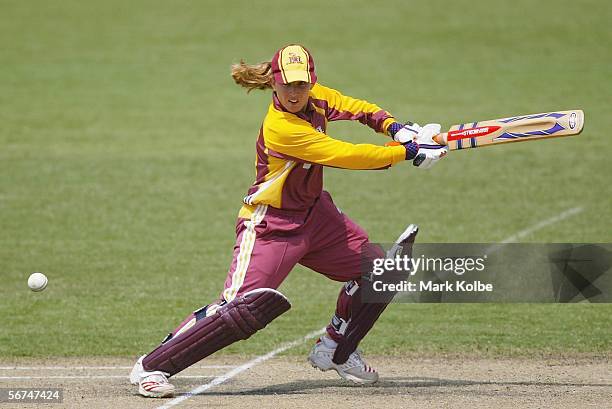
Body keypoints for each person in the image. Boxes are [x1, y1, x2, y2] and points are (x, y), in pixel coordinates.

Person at [129, 44, 447, 398]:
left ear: (311, 82)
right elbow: (345, 154)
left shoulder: (316, 97)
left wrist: (397, 128)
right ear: (275, 83)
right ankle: (153, 366)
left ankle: (336, 347)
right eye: (288, 85)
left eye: (302, 85)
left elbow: (359, 109)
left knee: (381, 271)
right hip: (272, 226)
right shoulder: (281, 127)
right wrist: (409, 151)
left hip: (317, 216)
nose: (295, 93)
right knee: (236, 309)